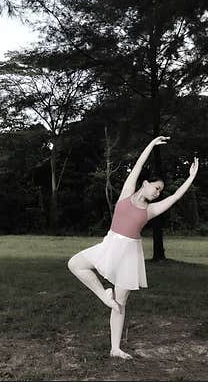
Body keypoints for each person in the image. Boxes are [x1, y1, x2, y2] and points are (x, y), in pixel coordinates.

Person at [67, 135, 199, 359]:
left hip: (129, 254)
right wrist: (151, 144)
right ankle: (102, 295)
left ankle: (115, 348)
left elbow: (176, 197)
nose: (158, 193)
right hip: (110, 245)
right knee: (75, 264)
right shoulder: (126, 194)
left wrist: (191, 177)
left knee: (120, 303)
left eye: (160, 191)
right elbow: (137, 165)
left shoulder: (150, 210)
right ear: (145, 183)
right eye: (156, 188)